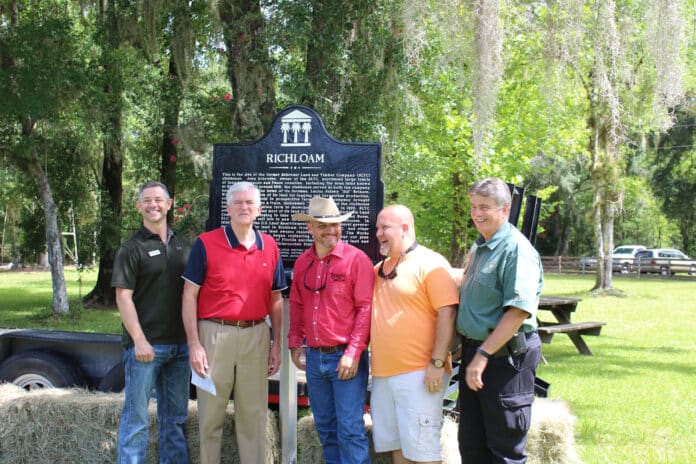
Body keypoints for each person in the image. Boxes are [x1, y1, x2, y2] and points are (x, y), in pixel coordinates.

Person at [181, 181, 287, 464]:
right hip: (214, 335)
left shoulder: (270, 246)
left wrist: (277, 344)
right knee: (210, 418)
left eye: (250, 203)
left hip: (256, 336)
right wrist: (194, 344)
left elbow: (276, 299)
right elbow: (189, 296)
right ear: (227, 208)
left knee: (253, 417)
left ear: (259, 210)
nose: (244, 207)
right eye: (238, 202)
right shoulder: (206, 243)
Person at [456, 177, 544, 464]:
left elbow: (518, 312)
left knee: (505, 449)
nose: (476, 213)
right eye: (472, 206)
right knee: (472, 446)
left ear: (504, 210)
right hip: (475, 353)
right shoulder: (480, 246)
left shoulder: (516, 250)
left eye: (484, 207)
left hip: (502, 360)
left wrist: (482, 355)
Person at [370, 204, 459, 464]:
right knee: (399, 449)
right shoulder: (379, 269)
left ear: (405, 228)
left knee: (423, 451)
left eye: (385, 227)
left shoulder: (431, 263)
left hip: (420, 373)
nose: (378, 233)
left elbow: (448, 313)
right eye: (377, 227)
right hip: (383, 374)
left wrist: (437, 362)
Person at [111, 181, 192, 464]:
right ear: (139, 206)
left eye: (159, 199)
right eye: (147, 200)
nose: (153, 204)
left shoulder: (184, 245)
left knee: (176, 420)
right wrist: (139, 340)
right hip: (146, 349)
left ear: (169, 204)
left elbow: (194, 294)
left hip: (181, 348)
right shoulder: (131, 248)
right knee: (136, 421)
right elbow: (123, 298)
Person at [288, 196, 374, 464]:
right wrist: (294, 342)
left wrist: (354, 352)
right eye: (323, 225)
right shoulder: (303, 262)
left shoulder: (356, 260)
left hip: (344, 358)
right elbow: (298, 303)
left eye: (335, 224)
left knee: (350, 430)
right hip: (314, 359)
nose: (331, 230)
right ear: (310, 228)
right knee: (325, 427)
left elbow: (366, 309)